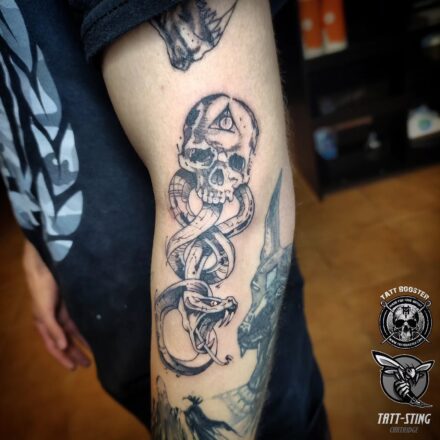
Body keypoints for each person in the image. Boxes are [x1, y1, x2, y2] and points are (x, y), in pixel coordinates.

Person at [0, 0, 328, 438]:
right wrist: (42, 238)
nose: (219, 173)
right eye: (204, 156)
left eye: (230, 163)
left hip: (239, 395)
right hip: (113, 313)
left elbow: (244, 212)